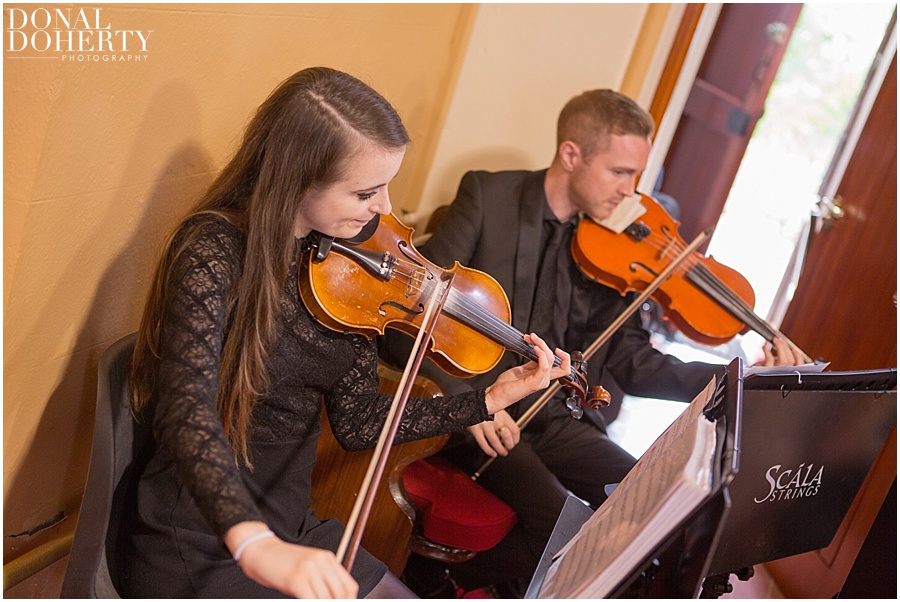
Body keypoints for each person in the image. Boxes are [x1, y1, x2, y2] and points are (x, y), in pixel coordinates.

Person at [118, 66, 573, 599]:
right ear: (296, 180)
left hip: (291, 527)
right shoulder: (213, 249)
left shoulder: (342, 270)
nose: (383, 208)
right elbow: (185, 410)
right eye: (365, 192)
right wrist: (257, 545)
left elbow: (357, 422)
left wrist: (488, 398)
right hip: (202, 538)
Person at [385, 88, 806, 597]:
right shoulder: (488, 196)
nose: (631, 193)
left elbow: (632, 362)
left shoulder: (611, 247)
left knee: (654, 504)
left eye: (638, 175)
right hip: (485, 407)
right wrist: (469, 404)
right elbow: (415, 315)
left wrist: (740, 377)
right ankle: (442, 582)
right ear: (571, 154)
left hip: (557, 416)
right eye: (619, 172)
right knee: (560, 523)